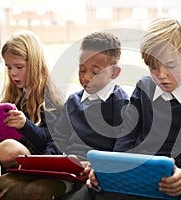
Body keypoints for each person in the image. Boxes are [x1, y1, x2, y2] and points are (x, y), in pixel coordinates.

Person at [86, 16, 181, 200]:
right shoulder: (144, 87)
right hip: (136, 174)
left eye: (170, 65)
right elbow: (127, 135)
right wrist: (111, 169)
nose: (161, 75)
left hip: (173, 178)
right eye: (153, 67)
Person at [51, 31, 129, 199]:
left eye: (95, 72)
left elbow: (121, 148)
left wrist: (99, 167)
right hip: (68, 169)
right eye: (82, 70)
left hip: (96, 172)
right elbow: (59, 138)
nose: (86, 78)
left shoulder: (120, 103)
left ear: (114, 73)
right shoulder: (73, 101)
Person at [0, 30, 64, 169]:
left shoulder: (51, 98)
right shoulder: (14, 96)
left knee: (9, 148)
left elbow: (51, 141)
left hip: (31, 156)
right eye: (8, 67)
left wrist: (25, 125)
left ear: (35, 64)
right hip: (1, 151)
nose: (13, 73)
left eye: (19, 67)